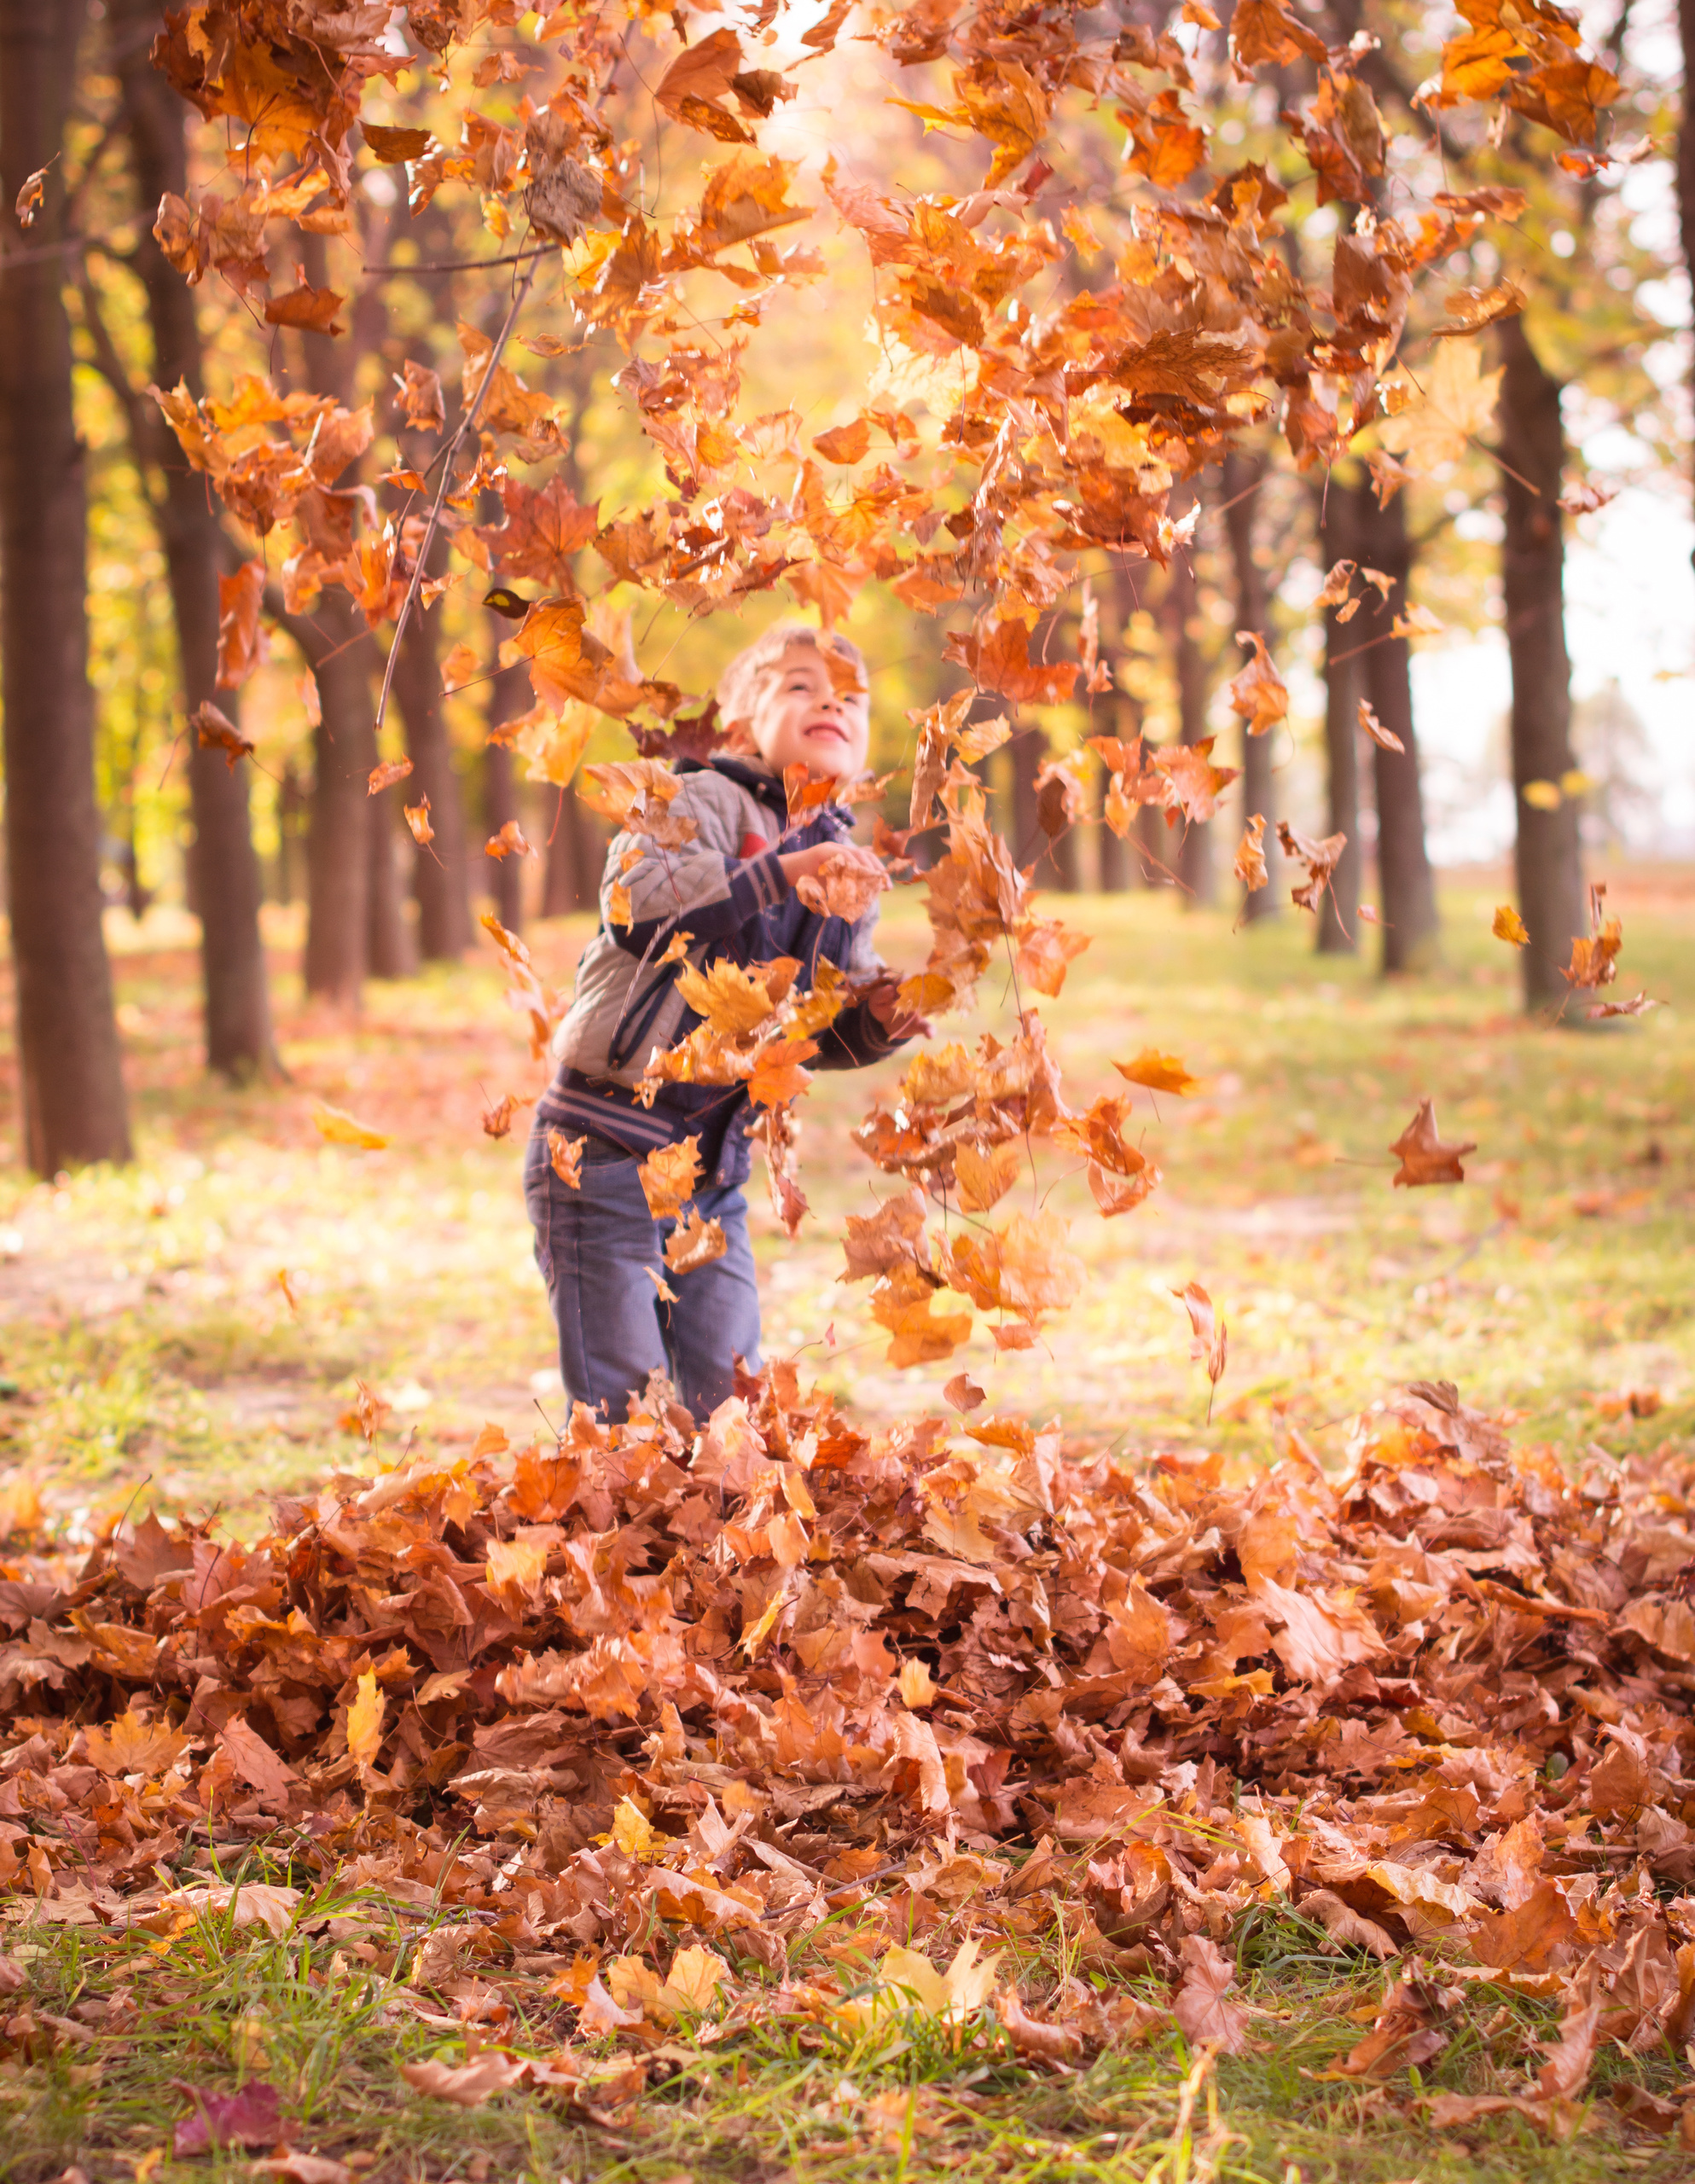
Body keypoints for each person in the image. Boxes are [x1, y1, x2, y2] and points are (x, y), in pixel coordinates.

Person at [524, 623, 926, 1423]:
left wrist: (872, 1021)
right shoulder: (693, 797)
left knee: (730, 1396)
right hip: (603, 1153)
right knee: (624, 1401)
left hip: (712, 1179)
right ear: (742, 722)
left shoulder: (846, 868)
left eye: (851, 697)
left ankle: (716, 1533)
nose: (831, 703)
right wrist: (779, 873)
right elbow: (637, 907)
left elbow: (806, 1023)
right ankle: (613, 1529)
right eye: (802, 686)